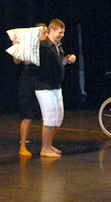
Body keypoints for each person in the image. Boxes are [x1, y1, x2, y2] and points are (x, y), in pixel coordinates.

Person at [33, 19, 76, 158]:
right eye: (60, 32)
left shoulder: (57, 46)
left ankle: (49, 145)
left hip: (55, 86)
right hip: (44, 87)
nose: (62, 35)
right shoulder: (43, 46)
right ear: (51, 30)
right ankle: (44, 149)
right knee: (49, 118)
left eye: (63, 32)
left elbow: (57, 64)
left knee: (57, 119)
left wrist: (67, 60)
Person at [13, 23, 49, 157]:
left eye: (46, 33)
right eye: (43, 33)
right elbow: (16, 60)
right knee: (28, 114)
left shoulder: (47, 46)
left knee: (47, 114)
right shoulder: (28, 44)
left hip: (43, 80)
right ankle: (22, 146)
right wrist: (17, 45)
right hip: (29, 81)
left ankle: (47, 145)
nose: (45, 35)